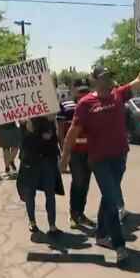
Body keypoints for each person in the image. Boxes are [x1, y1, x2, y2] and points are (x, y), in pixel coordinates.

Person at [61, 47, 140, 263]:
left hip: (120, 157)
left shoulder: (119, 94)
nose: (108, 80)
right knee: (114, 199)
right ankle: (119, 246)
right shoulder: (85, 104)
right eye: (104, 77)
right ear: (95, 80)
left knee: (108, 199)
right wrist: (64, 158)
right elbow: (72, 132)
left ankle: (101, 235)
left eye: (110, 76)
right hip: (98, 159)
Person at [17, 116, 64, 235]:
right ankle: (32, 222)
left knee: (50, 193)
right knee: (29, 193)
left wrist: (51, 128)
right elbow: (22, 141)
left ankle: (52, 225)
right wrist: (26, 129)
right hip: (30, 161)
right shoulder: (24, 118)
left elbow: (54, 139)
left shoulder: (49, 117)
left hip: (48, 160)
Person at [62, 79, 95, 228]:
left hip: (90, 152)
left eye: (85, 90)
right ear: (73, 90)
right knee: (78, 182)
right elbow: (60, 131)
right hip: (74, 153)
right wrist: (64, 154)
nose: (83, 94)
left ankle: (80, 213)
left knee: (85, 184)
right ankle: (73, 214)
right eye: (80, 91)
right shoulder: (66, 106)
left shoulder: (93, 105)